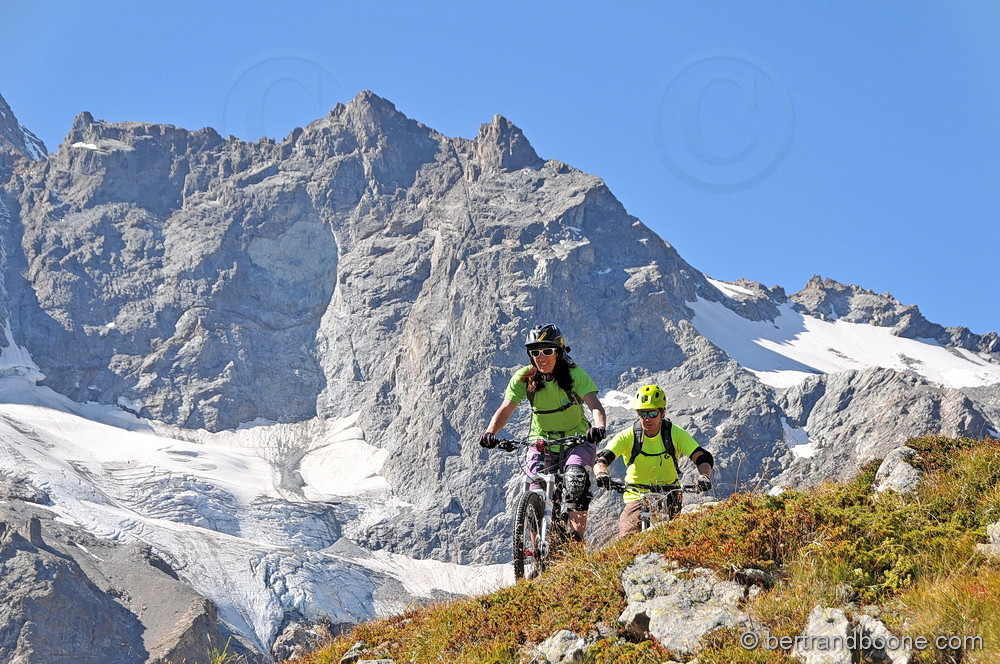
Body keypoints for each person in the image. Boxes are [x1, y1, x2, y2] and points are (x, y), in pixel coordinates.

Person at [479, 323, 607, 540]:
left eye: (547, 351)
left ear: (559, 352)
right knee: (534, 489)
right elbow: (506, 408)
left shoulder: (574, 374)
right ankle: (536, 550)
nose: (541, 357)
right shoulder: (524, 377)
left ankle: (575, 544)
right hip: (541, 440)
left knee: (575, 480)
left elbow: (595, 406)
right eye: (535, 352)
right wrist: (491, 432)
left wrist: (598, 427)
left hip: (577, 439)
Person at [594, 383, 714, 538]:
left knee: (677, 537)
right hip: (636, 495)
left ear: (662, 413)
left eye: (652, 414)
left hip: (669, 493)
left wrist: (704, 476)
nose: (647, 419)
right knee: (628, 535)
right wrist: (601, 474)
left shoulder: (674, 434)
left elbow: (702, 456)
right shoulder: (629, 435)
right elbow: (602, 458)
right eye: (642, 414)